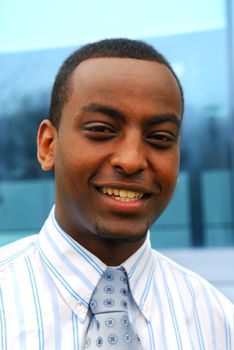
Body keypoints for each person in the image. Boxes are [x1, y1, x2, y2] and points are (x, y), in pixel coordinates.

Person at [0, 38, 233, 350]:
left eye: (160, 137)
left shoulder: (219, 322)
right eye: (101, 130)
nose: (132, 160)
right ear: (48, 146)